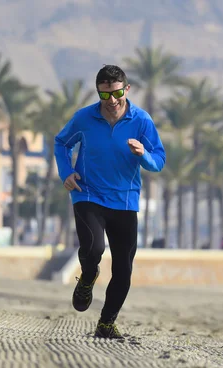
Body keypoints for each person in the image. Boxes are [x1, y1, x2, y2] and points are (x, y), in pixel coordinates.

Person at [54, 64, 166, 339]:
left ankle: (106, 322)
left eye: (117, 94)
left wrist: (143, 155)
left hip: (125, 202)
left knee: (124, 268)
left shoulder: (142, 121)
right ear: (98, 94)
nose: (112, 101)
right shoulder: (84, 119)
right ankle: (88, 276)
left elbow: (159, 161)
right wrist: (66, 173)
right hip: (88, 193)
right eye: (105, 96)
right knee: (93, 249)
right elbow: (61, 143)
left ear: (126, 89)